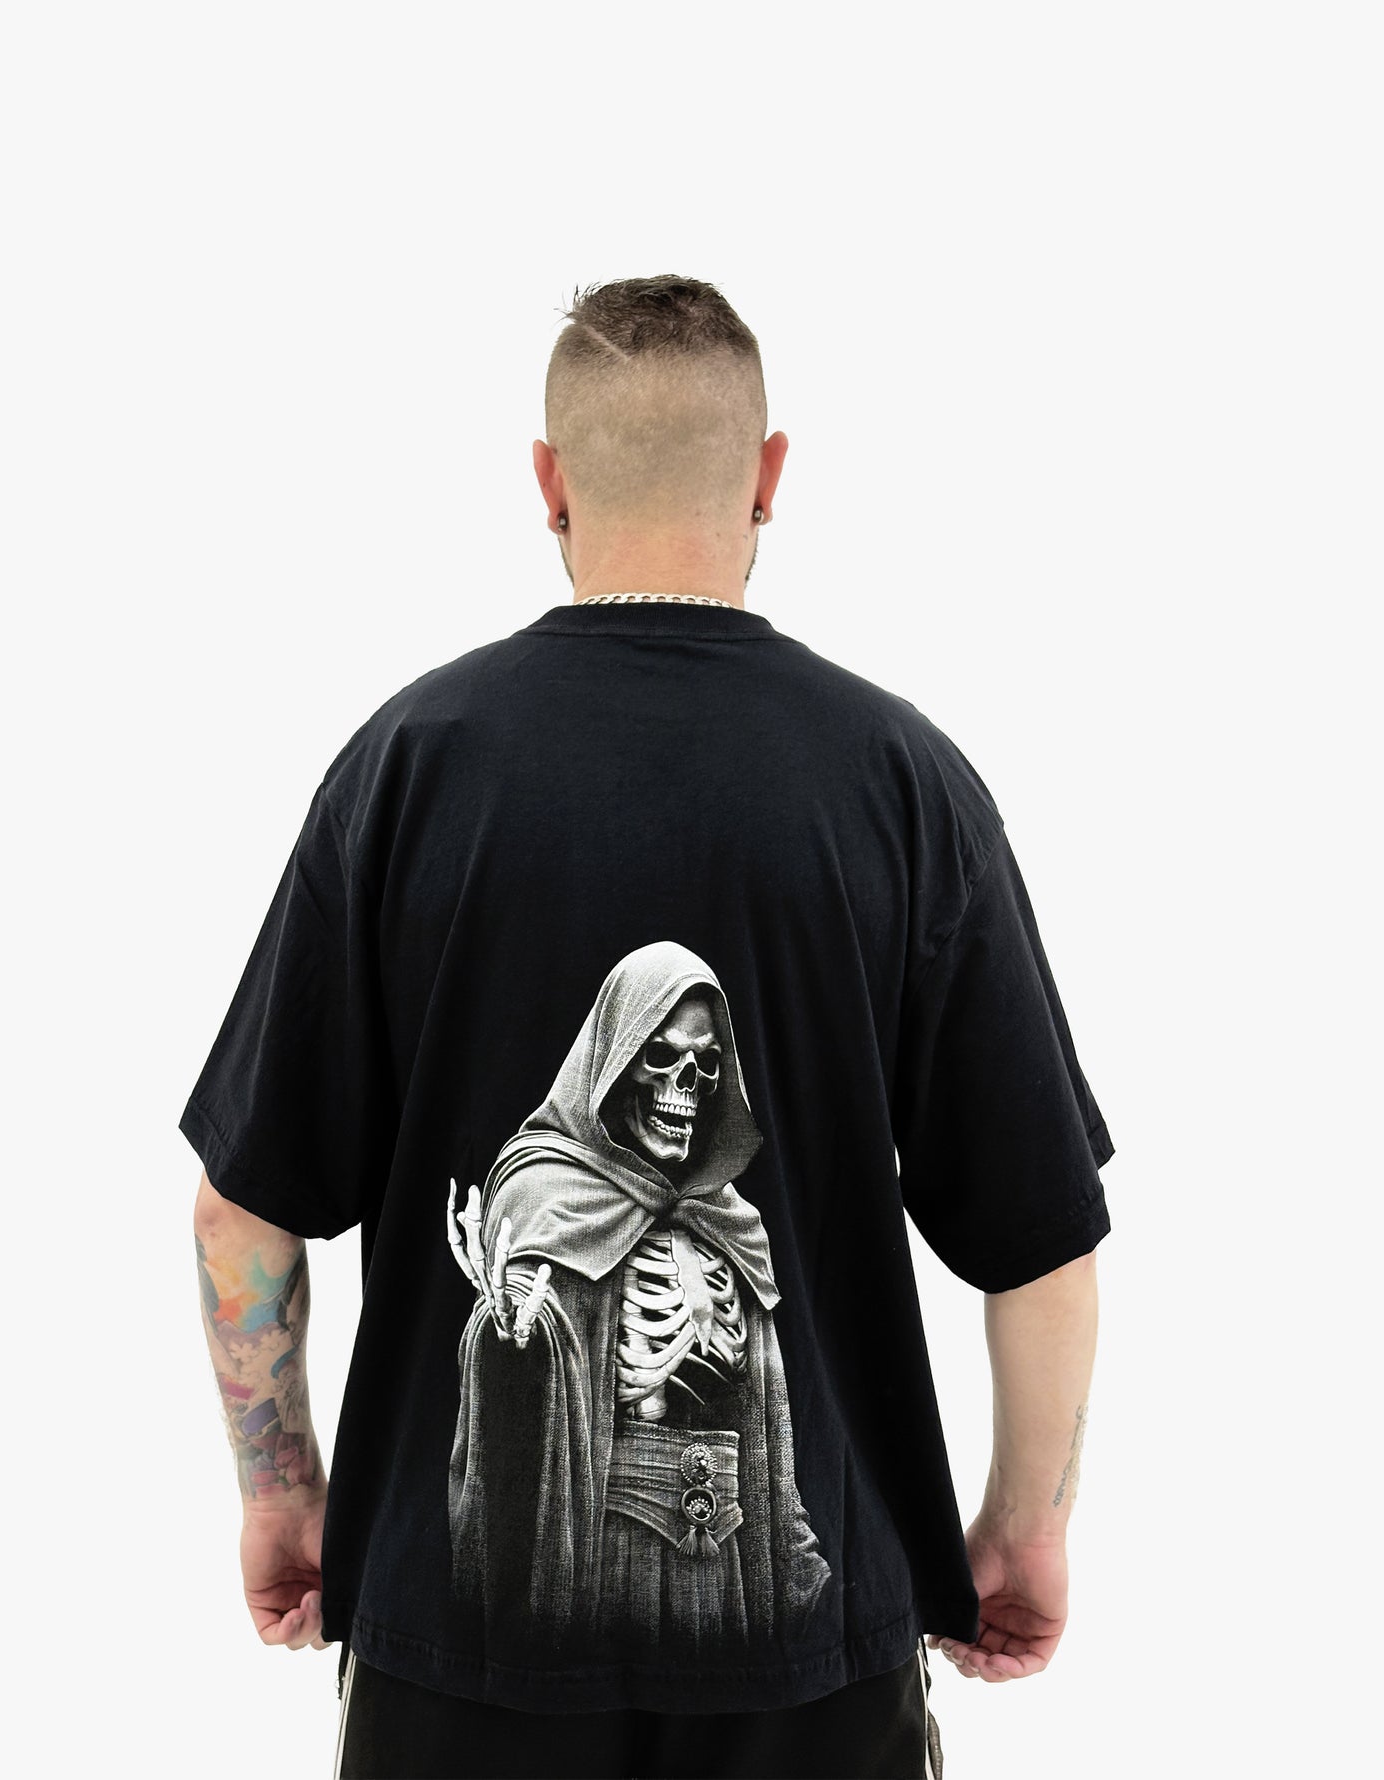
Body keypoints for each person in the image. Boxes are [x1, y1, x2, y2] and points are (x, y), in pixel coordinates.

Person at [182, 274, 1113, 1779]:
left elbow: (243, 1211)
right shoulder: (901, 784)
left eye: (703, 1060)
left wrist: (281, 1495)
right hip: (806, 1697)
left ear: (547, 481)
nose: (684, 1087)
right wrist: (1025, 1530)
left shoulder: (408, 769)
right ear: (769, 475)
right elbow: (1041, 1239)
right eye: (656, 1058)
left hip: (468, 1688)